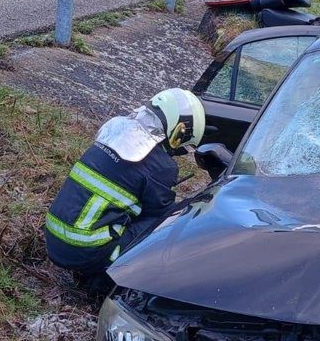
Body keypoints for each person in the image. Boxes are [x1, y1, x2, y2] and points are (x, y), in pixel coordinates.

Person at [45, 89, 205, 284]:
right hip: (84, 250)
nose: (178, 152)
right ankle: (107, 281)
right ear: (179, 131)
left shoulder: (115, 131)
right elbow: (159, 214)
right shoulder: (162, 165)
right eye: (182, 146)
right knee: (172, 220)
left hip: (55, 239)